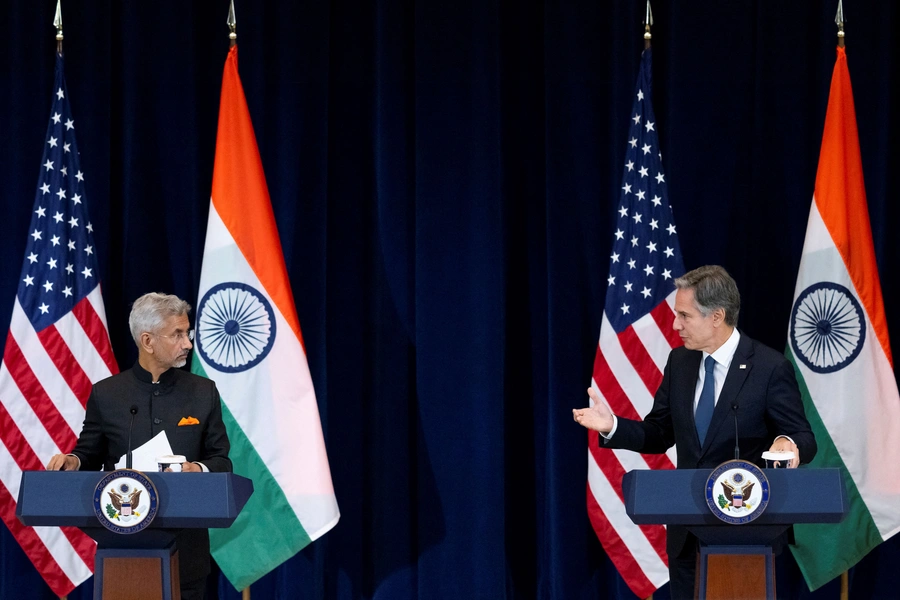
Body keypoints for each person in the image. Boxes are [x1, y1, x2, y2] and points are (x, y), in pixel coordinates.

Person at [573, 265, 816, 600]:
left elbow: (803, 437)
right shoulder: (680, 363)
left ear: (716, 316)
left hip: (748, 533)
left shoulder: (769, 367)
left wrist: (786, 442)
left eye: (684, 316)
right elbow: (659, 433)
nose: (676, 325)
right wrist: (613, 425)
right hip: (688, 532)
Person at [47, 292, 231, 600]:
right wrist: (73, 462)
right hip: (122, 553)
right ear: (147, 341)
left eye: (187, 333)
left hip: (186, 558)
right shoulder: (107, 394)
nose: (187, 343)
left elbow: (222, 461)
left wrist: (196, 468)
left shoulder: (203, 392)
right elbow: (88, 452)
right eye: (177, 334)